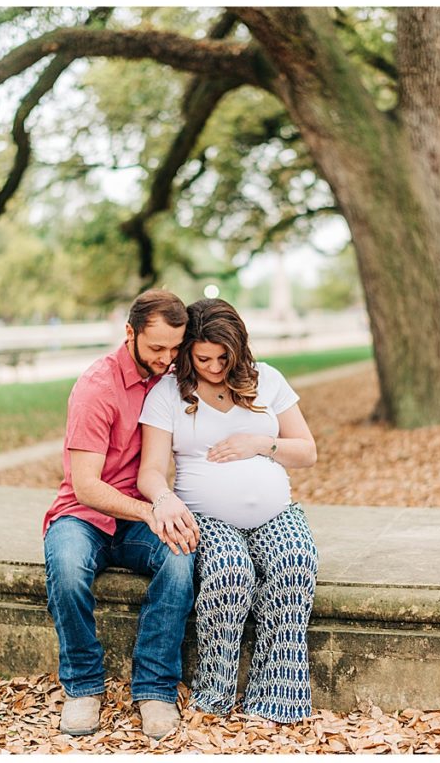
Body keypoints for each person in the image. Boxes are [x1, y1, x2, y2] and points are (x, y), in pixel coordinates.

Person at [137, 298, 319, 723]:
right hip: (206, 516)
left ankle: (274, 699)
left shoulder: (267, 380)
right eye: (203, 358)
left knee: (295, 562)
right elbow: (149, 471)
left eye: (224, 357)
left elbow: (307, 451)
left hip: (275, 513)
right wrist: (164, 500)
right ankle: (214, 693)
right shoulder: (168, 393)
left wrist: (259, 443)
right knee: (230, 574)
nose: (215, 367)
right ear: (187, 353)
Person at [42, 289, 198, 740]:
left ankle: (154, 690)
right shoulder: (98, 387)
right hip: (83, 514)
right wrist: (150, 512)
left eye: (175, 348)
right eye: (156, 348)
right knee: (68, 568)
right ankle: (84, 687)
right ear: (129, 333)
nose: (168, 358)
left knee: (180, 553)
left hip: (138, 516)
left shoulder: (169, 378)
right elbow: (87, 486)